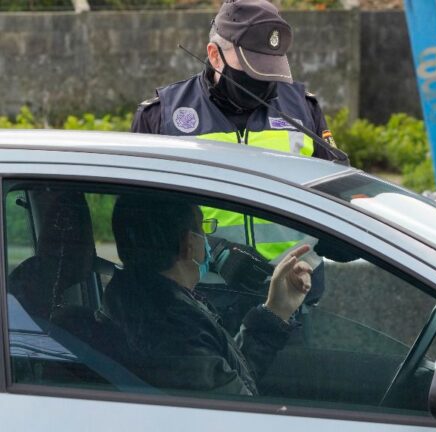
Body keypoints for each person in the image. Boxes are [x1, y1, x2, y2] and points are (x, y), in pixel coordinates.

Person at [100, 194, 312, 396]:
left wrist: (276, 310)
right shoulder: (176, 329)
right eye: (203, 228)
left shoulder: (144, 303)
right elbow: (236, 410)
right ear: (188, 245)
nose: (208, 240)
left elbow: (226, 375)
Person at [131, 0, 347, 164]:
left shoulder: (303, 109)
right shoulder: (161, 116)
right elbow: (134, 211)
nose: (263, 77)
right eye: (252, 64)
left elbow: (335, 193)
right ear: (214, 55)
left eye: (270, 65)